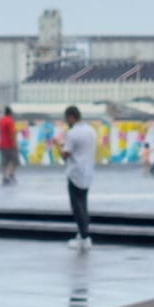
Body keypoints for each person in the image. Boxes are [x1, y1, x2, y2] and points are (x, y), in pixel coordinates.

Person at [57, 104, 96, 249]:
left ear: (71, 117)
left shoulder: (72, 133)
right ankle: (82, 233)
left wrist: (57, 145)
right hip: (88, 172)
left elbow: (65, 155)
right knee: (84, 204)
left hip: (75, 173)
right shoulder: (91, 130)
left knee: (77, 207)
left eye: (67, 119)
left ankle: (84, 238)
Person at [0, 104, 20, 184]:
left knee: (4, 161)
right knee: (15, 161)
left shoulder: (1, 120)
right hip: (10, 145)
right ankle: (11, 174)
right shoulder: (10, 121)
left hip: (2, 144)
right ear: (10, 113)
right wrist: (15, 144)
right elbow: (12, 133)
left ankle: (4, 177)